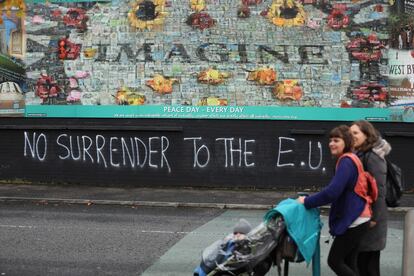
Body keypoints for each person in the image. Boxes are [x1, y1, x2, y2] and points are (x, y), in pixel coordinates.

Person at [297, 125, 370, 276]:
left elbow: (332, 192)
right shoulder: (353, 159)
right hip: (360, 217)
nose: (331, 143)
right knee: (349, 262)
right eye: (330, 140)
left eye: (336, 140)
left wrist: (307, 201)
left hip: (355, 220)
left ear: (347, 142)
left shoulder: (346, 161)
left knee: (335, 261)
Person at [350, 120, 390, 276]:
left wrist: (374, 218)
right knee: (360, 264)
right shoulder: (359, 153)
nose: (352, 136)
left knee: (368, 266)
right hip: (363, 216)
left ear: (367, 135)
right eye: (350, 133)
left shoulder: (372, 156)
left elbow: (379, 190)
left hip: (371, 220)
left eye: (356, 133)